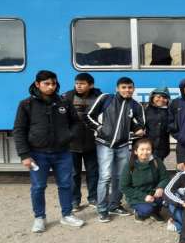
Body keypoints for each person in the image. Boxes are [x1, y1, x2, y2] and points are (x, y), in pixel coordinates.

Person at [13, 70, 84, 232]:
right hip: (37, 154)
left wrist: (69, 136)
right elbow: (19, 130)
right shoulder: (26, 104)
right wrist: (24, 155)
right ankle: (39, 218)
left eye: (53, 84)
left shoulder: (64, 103)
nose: (51, 87)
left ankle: (67, 215)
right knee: (38, 186)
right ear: (37, 84)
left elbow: (76, 122)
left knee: (66, 184)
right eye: (47, 84)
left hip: (63, 152)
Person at [86, 76, 145, 222]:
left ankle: (115, 205)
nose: (127, 90)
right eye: (124, 87)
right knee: (105, 177)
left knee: (121, 177)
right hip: (104, 144)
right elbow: (88, 116)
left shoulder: (136, 106)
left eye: (130, 87)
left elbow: (140, 125)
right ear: (117, 88)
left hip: (124, 145)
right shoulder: (106, 99)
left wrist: (137, 130)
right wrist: (100, 129)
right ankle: (102, 209)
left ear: (133, 89)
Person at [62, 72, 102, 210]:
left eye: (82, 83)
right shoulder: (67, 97)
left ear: (90, 85)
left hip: (92, 143)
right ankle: (74, 201)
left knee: (93, 172)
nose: (78, 86)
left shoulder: (99, 98)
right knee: (73, 173)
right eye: (77, 83)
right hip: (72, 143)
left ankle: (93, 198)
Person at [120, 138, 170, 222]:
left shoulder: (156, 161)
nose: (145, 152)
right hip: (137, 196)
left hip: (154, 193)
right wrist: (144, 197)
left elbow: (165, 177)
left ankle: (155, 212)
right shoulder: (130, 165)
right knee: (147, 209)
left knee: (168, 200)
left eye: (148, 149)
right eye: (142, 149)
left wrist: (160, 188)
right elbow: (124, 187)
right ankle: (139, 213)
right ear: (136, 151)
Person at [145, 87, 171, 161]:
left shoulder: (170, 112)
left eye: (164, 97)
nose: (161, 99)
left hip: (162, 148)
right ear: (152, 97)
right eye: (158, 97)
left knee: (158, 169)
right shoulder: (145, 109)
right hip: (146, 147)